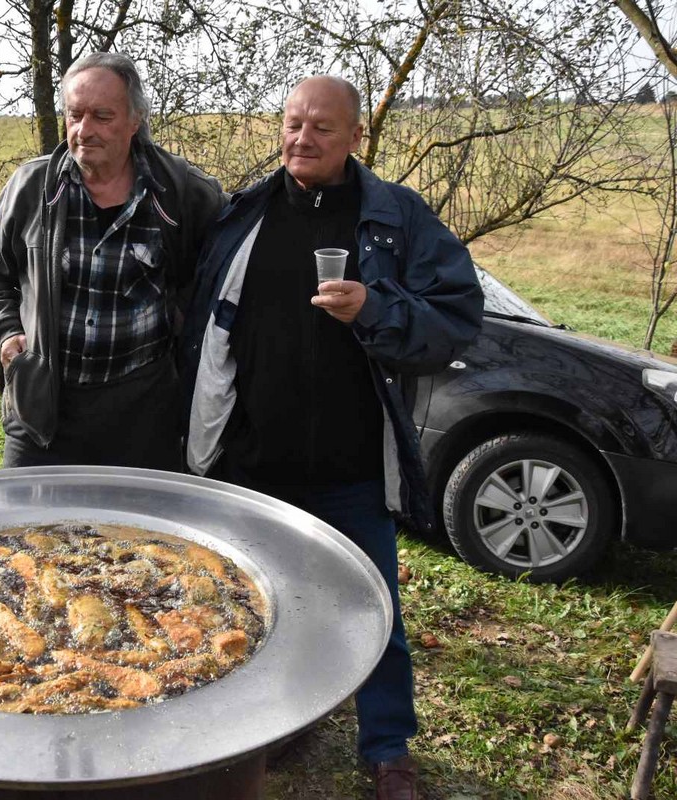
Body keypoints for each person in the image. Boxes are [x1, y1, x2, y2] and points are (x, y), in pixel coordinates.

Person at [181, 75, 483, 800]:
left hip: (350, 465)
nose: (301, 139)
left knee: (372, 611)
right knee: (259, 604)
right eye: (292, 123)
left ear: (356, 137)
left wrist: (377, 308)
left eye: (321, 127)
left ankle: (388, 751)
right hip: (253, 460)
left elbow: (456, 319)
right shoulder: (243, 216)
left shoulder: (394, 217)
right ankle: (278, 722)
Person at [0, 52, 223, 471]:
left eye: (102, 116)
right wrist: (8, 333)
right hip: (42, 406)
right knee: (27, 530)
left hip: (144, 414)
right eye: (75, 115)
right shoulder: (33, 187)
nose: (84, 130)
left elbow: (219, 278)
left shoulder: (184, 193)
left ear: (135, 119)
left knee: (141, 533)